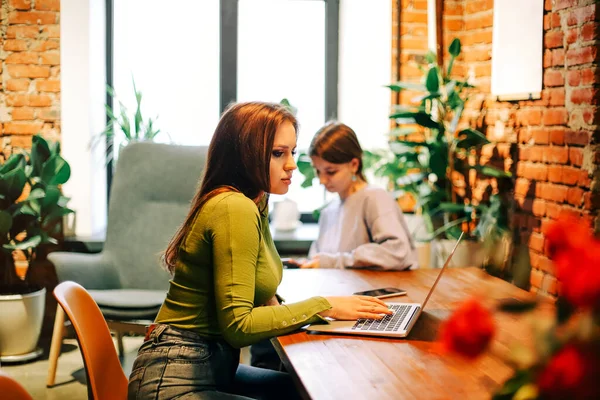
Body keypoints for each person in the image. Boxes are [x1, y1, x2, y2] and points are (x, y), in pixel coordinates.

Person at [127, 102, 392, 400]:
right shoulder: (233, 207)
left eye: (292, 151)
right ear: (245, 156)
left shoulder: (254, 203)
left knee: (313, 390)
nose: (292, 164)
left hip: (211, 367)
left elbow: (262, 302)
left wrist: (332, 315)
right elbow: (239, 327)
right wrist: (324, 306)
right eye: (278, 153)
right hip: (175, 378)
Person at [295, 121, 418, 270]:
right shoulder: (329, 211)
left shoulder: (374, 198)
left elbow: (397, 252)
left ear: (354, 165)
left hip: (370, 291)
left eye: (331, 171)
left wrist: (335, 262)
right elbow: (319, 257)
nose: (322, 180)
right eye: (318, 171)